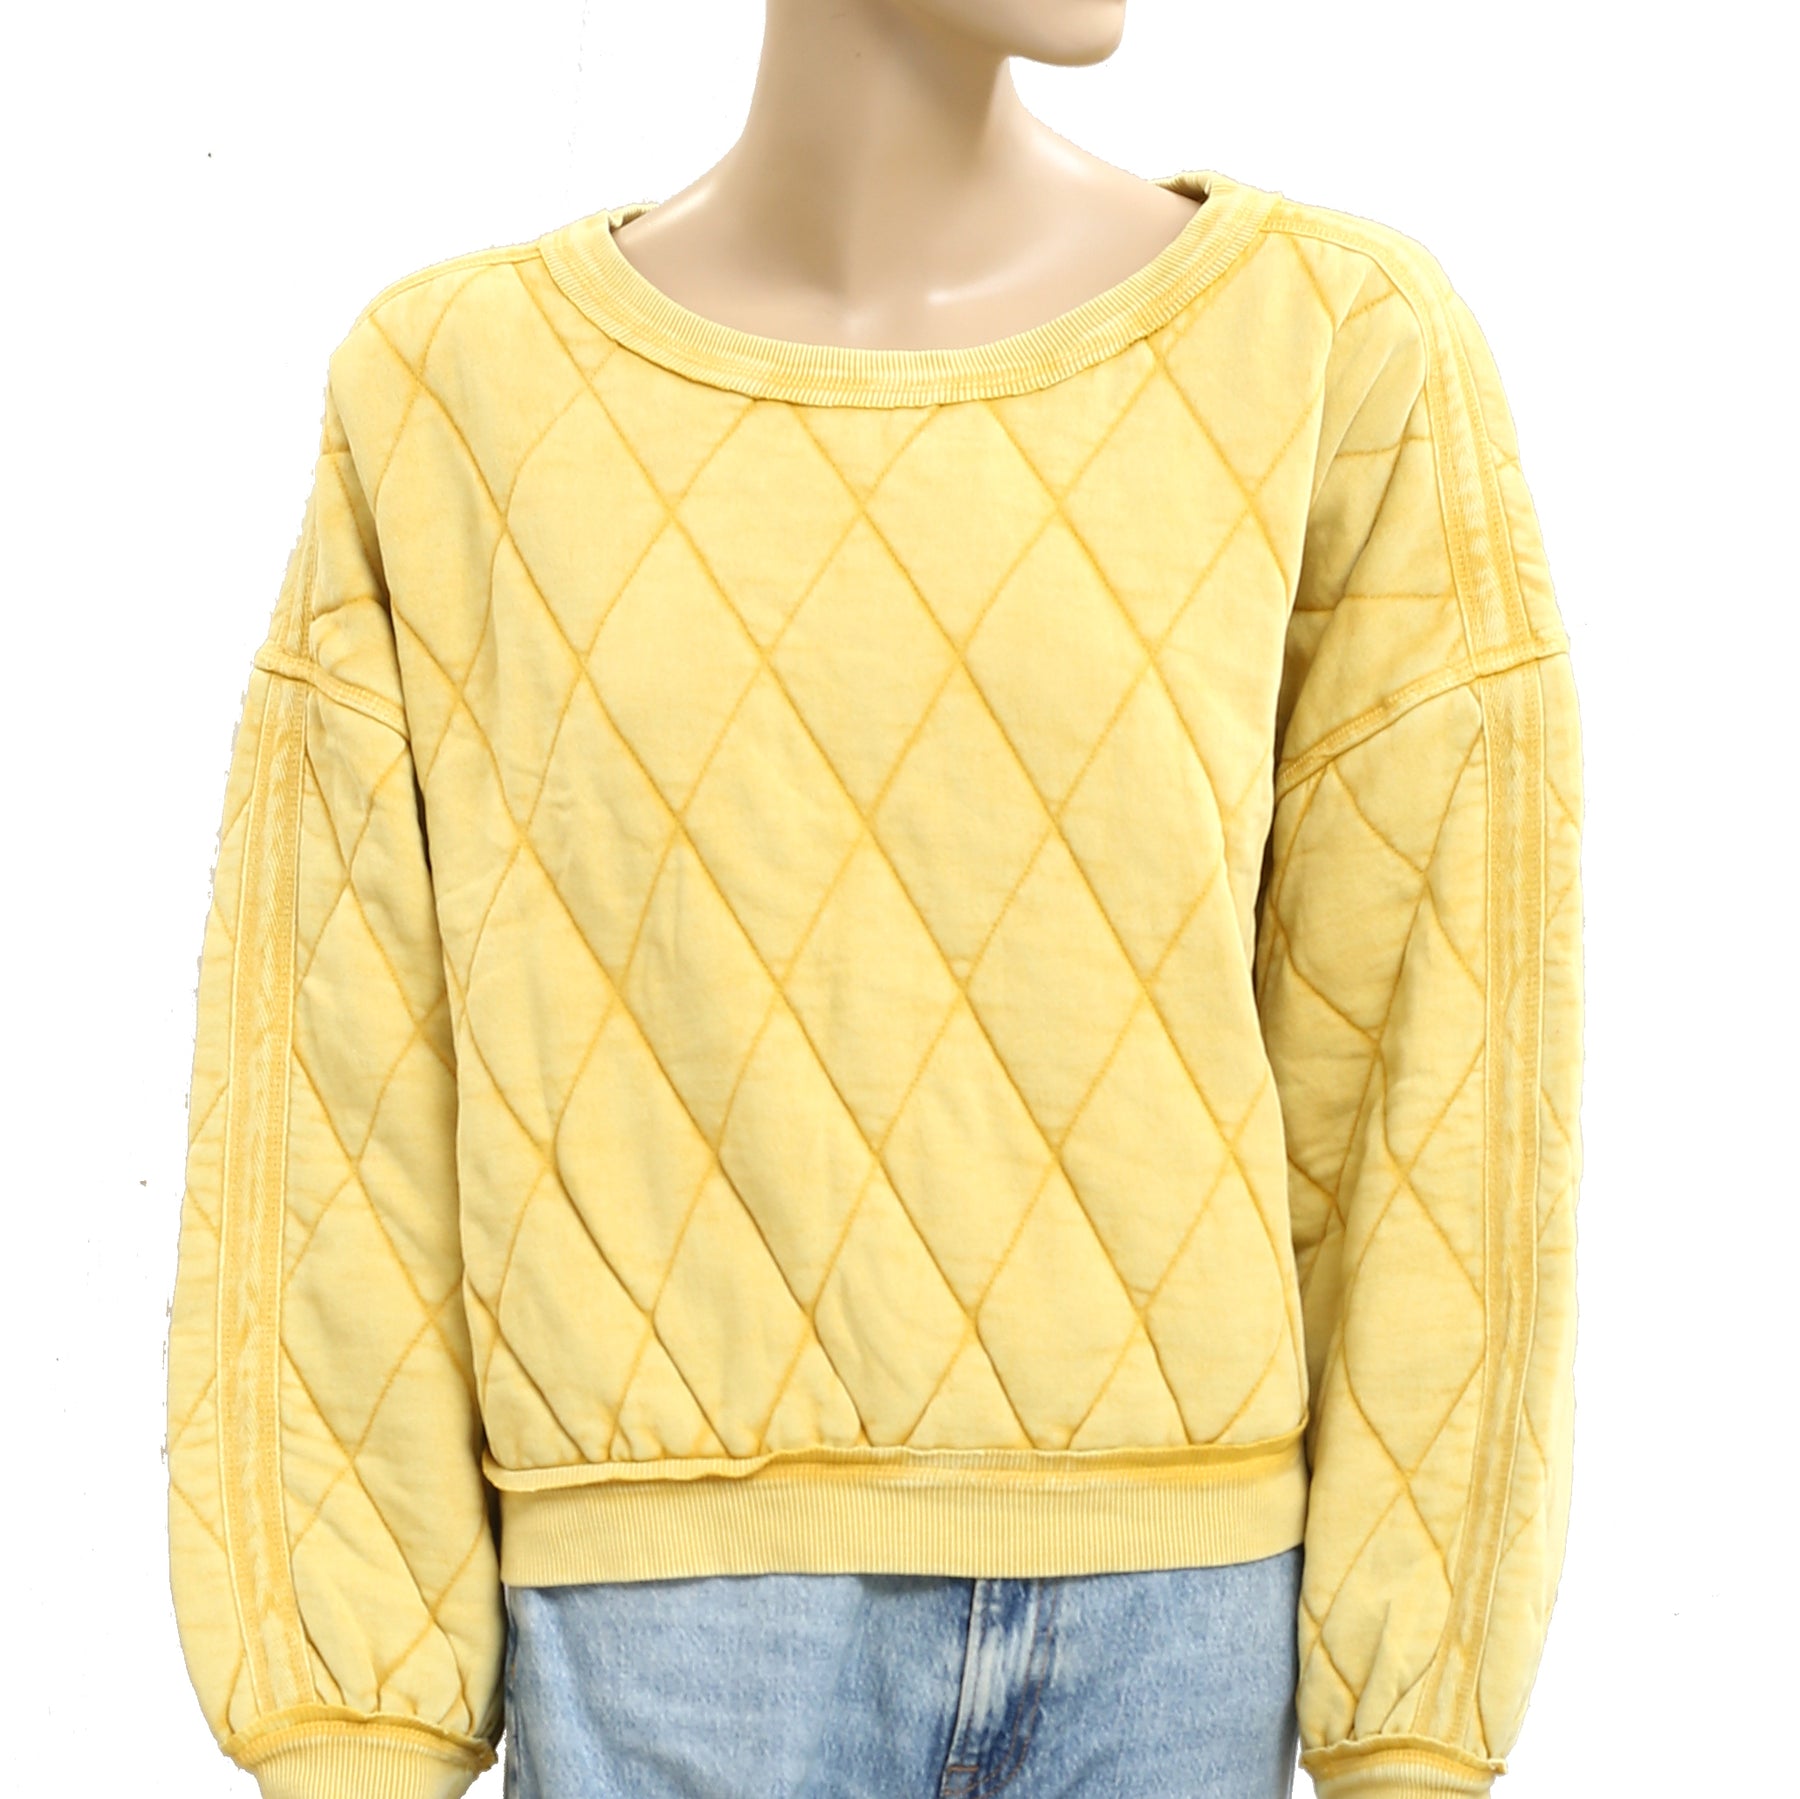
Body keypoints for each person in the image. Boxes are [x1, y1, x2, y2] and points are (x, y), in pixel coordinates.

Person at [163, 3, 1586, 1796]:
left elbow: (1437, 1068)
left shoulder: (1330, 348)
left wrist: (1417, 1708)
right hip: (670, 1637)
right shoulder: (452, 391)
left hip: (1178, 1628)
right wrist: (350, 1724)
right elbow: (334, 1088)